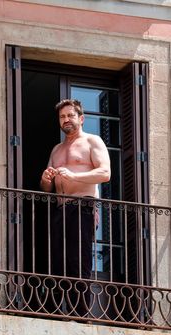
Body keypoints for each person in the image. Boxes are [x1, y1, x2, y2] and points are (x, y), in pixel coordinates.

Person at [40, 99, 111, 317]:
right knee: (57, 262)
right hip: (61, 209)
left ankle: (80, 313)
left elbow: (105, 173)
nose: (66, 120)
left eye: (70, 115)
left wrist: (75, 176)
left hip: (83, 206)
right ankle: (57, 310)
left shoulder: (92, 141)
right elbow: (46, 188)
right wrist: (46, 178)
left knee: (78, 261)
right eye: (62, 117)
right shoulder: (57, 149)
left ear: (81, 118)